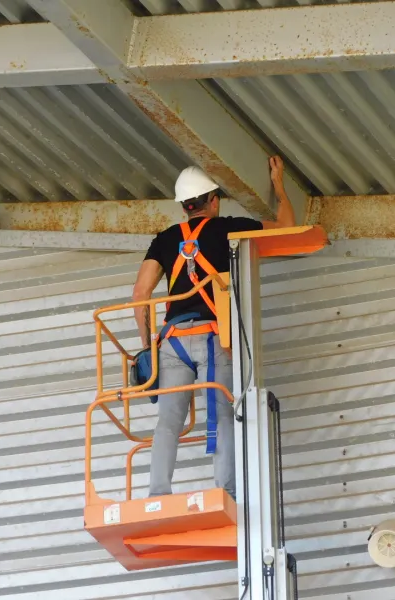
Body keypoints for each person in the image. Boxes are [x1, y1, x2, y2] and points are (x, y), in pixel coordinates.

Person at [131, 156, 296, 499]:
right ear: (214, 200)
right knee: (223, 413)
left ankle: (157, 494)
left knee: (168, 423)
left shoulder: (163, 239)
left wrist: (148, 349)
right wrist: (279, 187)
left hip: (172, 342)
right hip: (213, 337)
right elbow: (286, 225)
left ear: (183, 208)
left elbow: (140, 294)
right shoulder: (228, 228)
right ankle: (227, 492)